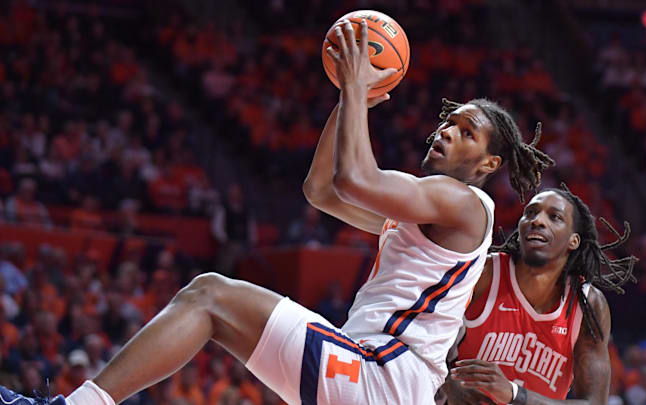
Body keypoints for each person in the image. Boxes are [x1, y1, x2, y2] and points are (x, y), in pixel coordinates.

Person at [0, 20, 552, 405]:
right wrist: (344, 99)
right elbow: (322, 192)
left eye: (466, 132)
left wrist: (358, 88)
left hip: (381, 376)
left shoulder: (462, 202)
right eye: (449, 121)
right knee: (212, 309)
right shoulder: (431, 216)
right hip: (374, 376)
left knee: (210, 295)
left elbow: (354, 178)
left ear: (489, 162)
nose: (447, 131)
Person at [438, 186, 637, 405]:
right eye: (531, 213)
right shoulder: (484, 274)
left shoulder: (588, 304)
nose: (538, 221)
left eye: (555, 217)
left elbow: (594, 402)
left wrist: (514, 394)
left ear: (574, 240)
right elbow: (422, 334)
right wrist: (449, 383)